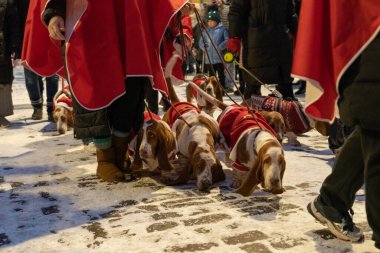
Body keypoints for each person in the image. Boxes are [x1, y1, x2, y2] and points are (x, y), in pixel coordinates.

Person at [22, 0, 192, 182]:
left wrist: (176, 7)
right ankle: (105, 159)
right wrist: (53, 12)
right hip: (87, 25)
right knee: (95, 92)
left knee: (132, 91)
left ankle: (120, 154)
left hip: (131, 23)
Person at [291, 1, 380, 248]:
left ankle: (332, 201)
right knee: (374, 128)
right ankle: (332, 201)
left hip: (364, 42)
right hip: (364, 39)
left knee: (371, 130)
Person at [227, 0, 297, 99]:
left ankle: (289, 110)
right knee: (253, 84)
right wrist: (234, 36)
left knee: (285, 86)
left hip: (281, 40)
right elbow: (237, 11)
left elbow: (290, 12)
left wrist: (297, 32)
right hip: (256, 41)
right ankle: (250, 111)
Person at [17, 0, 58, 121]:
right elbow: (15, 18)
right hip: (27, 36)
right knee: (30, 77)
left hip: (49, 35)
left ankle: (51, 108)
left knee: (52, 75)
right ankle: (37, 107)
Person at [0, 0, 21, 128]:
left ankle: (1, 114)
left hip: (3, 46)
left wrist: (15, 46)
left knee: (3, 81)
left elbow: (13, 24)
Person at [198, 9, 230, 92]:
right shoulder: (206, 31)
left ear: (217, 21)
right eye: (209, 21)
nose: (210, 23)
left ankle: (221, 89)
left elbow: (227, 40)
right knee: (211, 76)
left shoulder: (222, 29)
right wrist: (203, 47)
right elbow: (201, 41)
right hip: (209, 59)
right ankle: (212, 90)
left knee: (221, 75)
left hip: (219, 57)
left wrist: (220, 46)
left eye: (212, 21)